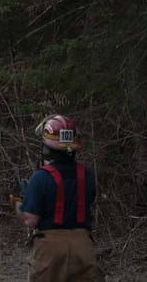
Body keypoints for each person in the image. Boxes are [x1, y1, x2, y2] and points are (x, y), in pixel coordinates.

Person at [14, 114, 101, 282]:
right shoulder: (88, 175)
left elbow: (30, 220)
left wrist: (18, 202)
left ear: (47, 146)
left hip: (50, 249)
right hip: (83, 246)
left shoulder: (40, 177)